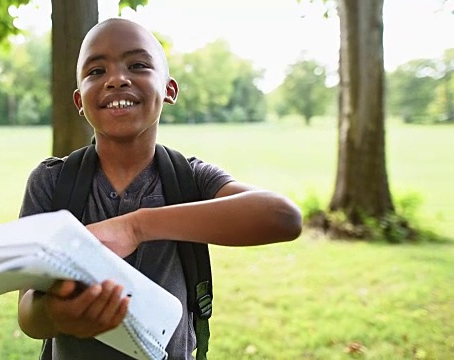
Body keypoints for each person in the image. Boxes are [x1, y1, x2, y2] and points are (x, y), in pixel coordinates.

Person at [16, 17, 302, 360]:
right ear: (79, 100)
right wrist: (56, 315)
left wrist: (137, 226)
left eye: (137, 65)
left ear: (169, 89)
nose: (117, 79)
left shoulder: (190, 178)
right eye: (96, 71)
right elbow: (28, 313)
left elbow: (283, 217)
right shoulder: (51, 182)